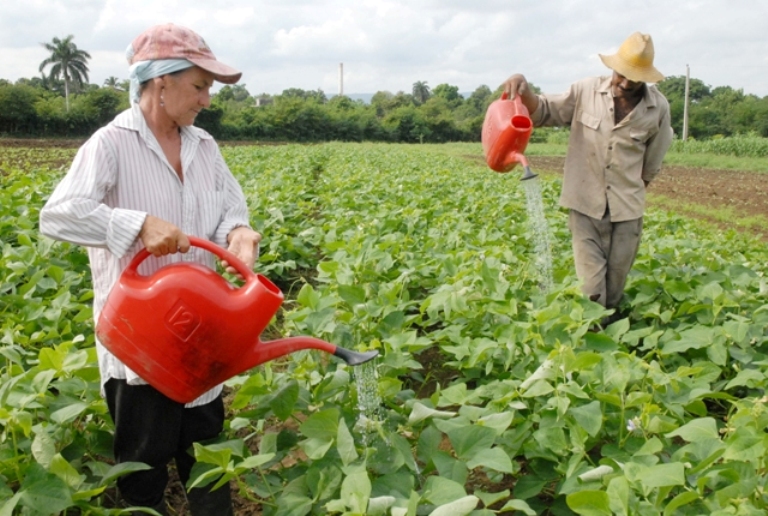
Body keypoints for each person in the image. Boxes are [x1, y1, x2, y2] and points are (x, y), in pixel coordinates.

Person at [39, 23, 261, 515]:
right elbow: (57, 214)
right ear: (161, 82)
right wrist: (134, 224)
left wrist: (239, 232)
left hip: (202, 335)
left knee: (208, 463)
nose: (207, 100)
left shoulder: (205, 146)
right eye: (200, 86)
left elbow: (231, 207)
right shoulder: (111, 144)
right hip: (141, 346)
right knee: (142, 472)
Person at [503, 32, 673, 325]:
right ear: (614, 68)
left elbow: (651, 165)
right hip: (584, 206)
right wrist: (524, 86)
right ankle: (592, 345)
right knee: (592, 291)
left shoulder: (658, 108)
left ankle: (611, 339)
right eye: (622, 74)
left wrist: (626, 194)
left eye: (634, 78)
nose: (625, 83)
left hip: (626, 212)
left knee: (614, 289)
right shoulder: (585, 91)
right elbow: (544, 110)